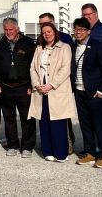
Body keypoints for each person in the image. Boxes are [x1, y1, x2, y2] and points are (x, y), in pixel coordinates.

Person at [69, 18, 102, 169]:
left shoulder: (97, 46)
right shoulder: (75, 46)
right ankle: (89, 152)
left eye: (82, 29)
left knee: (99, 124)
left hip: (95, 92)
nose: (78, 32)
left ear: (89, 31)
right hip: (79, 91)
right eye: (76, 29)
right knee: (85, 123)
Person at [29, 22, 74, 162]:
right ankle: (47, 150)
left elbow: (66, 69)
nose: (47, 34)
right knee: (44, 121)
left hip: (57, 90)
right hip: (41, 89)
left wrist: (51, 85)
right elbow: (33, 68)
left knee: (58, 121)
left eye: (49, 31)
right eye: (44, 32)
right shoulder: (39, 49)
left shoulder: (64, 47)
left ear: (54, 32)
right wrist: (37, 84)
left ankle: (60, 153)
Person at [0, 17, 36, 158]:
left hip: (24, 87)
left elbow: (33, 65)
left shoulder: (28, 43)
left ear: (17, 29)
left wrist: (31, 85)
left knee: (26, 118)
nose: (8, 32)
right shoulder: (0, 45)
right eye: (6, 30)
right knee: (9, 118)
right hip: (6, 87)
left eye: (11, 29)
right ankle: (13, 145)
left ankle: (27, 147)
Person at [38, 12, 75, 154]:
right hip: (43, 87)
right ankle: (49, 147)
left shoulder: (65, 40)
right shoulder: (40, 41)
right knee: (46, 117)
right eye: (40, 25)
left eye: (46, 24)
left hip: (59, 86)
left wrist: (55, 84)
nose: (43, 27)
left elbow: (68, 66)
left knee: (61, 118)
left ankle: (67, 144)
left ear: (53, 23)